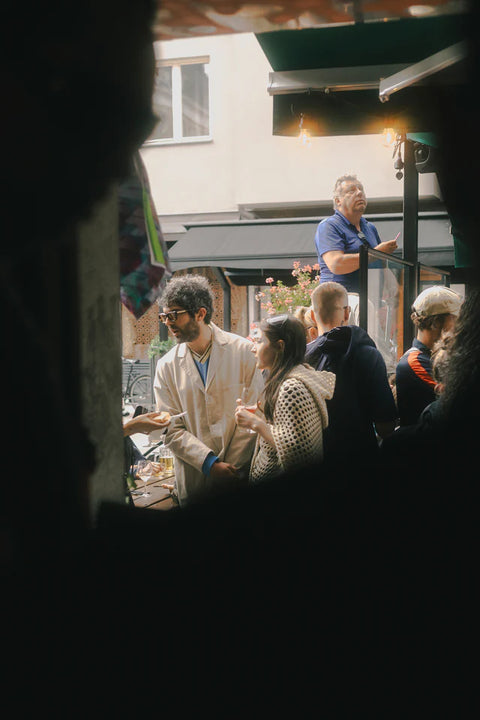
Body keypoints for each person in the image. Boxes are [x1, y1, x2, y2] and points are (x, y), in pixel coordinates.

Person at [153, 274, 264, 505]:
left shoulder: (244, 352)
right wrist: (210, 464)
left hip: (240, 477)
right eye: (164, 316)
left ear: (200, 313)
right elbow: (171, 429)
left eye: (174, 315)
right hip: (195, 482)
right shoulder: (166, 367)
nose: (168, 323)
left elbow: (257, 413)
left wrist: (232, 468)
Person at [235, 314, 335, 483]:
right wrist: (259, 415)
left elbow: (299, 457)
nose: (253, 348)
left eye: (259, 341)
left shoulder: (291, 388)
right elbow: (290, 430)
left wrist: (256, 423)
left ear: (280, 346)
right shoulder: (296, 376)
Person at [305, 281, 397, 460]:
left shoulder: (301, 358)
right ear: (347, 312)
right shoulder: (369, 355)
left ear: (312, 315)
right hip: (359, 460)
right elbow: (385, 427)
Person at [314, 174, 399, 293]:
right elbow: (336, 264)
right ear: (338, 201)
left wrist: (393, 286)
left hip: (370, 302)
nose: (359, 193)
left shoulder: (369, 227)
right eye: (351, 190)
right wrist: (376, 253)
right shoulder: (329, 226)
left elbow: (381, 263)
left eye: (361, 189)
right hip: (340, 303)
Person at [395, 285, 462, 427]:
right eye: (455, 318)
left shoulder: (434, 356)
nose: (459, 324)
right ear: (436, 322)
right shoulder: (415, 361)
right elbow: (459, 395)